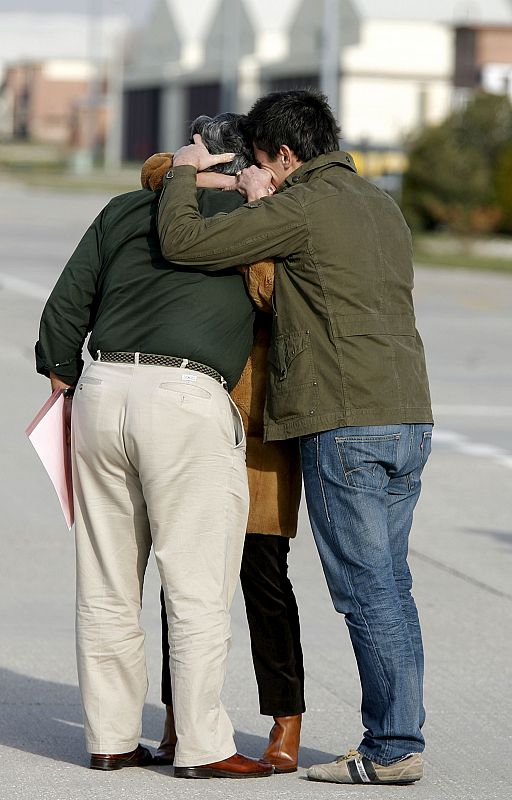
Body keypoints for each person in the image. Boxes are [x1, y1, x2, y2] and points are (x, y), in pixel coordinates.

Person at [154, 89, 434, 786]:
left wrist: (187, 174)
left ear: (284, 155)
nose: (253, 175)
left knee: (366, 591)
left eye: (257, 163)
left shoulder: (299, 205)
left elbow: (186, 243)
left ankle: (393, 747)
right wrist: (260, 198)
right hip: (409, 415)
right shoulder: (380, 204)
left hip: (345, 421)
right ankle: (398, 736)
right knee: (391, 585)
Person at [34, 112, 274, 779]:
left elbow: (61, 319)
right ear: (236, 162)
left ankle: (111, 739)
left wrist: (75, 394)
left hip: (102, 390)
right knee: (195, 584)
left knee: (107, 582)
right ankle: (202, 745)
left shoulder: (123, 209)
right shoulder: (254, 222)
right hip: (188, 396)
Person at [140, 116, 305, 774]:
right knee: (180, 582)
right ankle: (181, 717)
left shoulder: (278, 213)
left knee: (264, 580)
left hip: (258, 430)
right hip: (189, 420)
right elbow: (153, 171)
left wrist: (252, 219)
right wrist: (197, 173)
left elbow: (275, 299)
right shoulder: (182, 200)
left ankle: (285, 719)